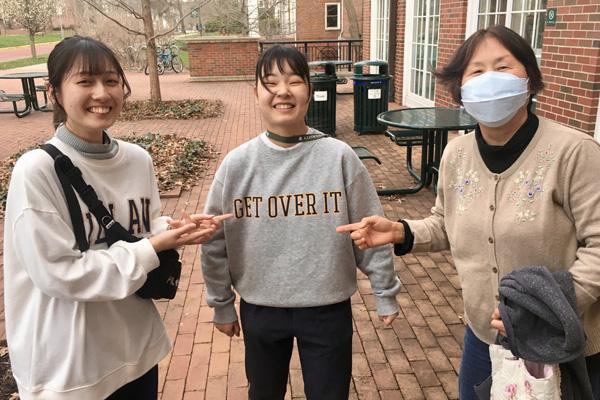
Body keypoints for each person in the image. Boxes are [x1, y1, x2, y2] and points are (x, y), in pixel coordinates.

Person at [337, 25, 600, 399]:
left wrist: (545, 307)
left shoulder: (574, 153)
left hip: (563, 345)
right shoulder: (456, 155)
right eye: (476, 71)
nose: (489, 79)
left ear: (530, 78)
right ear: (460, 87)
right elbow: (447, 223)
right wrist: (399, 231)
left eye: (504, 67)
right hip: (484, 341)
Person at [3, 36, 227, 400]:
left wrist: (175, 229)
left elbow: (139, 227)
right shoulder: (37, 171)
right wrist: (154, 246)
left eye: (110, 81)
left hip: (137, 351)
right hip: (72, 370)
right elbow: (60, 274)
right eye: (85, 81)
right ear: (55, 92)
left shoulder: (138, 159)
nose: (102, 93)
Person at [201, 45, 402, 400]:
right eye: (271, 82)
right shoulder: (237, 165)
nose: (283, 91)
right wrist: (220, 303)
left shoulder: (338, 157)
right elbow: (215, 240)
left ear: (309, 91)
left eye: (295, 81)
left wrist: (385, 291)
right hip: (261, 309)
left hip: (327, 309)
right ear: (256, 93)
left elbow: (370, 229)